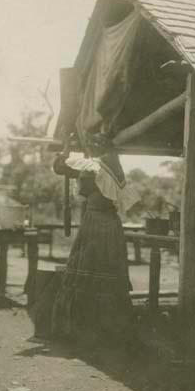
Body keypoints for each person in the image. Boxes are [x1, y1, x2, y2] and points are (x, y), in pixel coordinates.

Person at [50, 134, 138, 346]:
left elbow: (62, 167)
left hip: (100, 224)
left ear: (105, 145)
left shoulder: (103, 164)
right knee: (92, 271)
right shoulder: (102, 165)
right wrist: (64, 155)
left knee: (96, 271)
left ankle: (98, 330)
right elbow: (64, 169)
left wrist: (63, 155)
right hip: (98, 222)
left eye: (96, 143)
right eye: (91, 144)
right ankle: (91, 329)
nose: (92, 147)